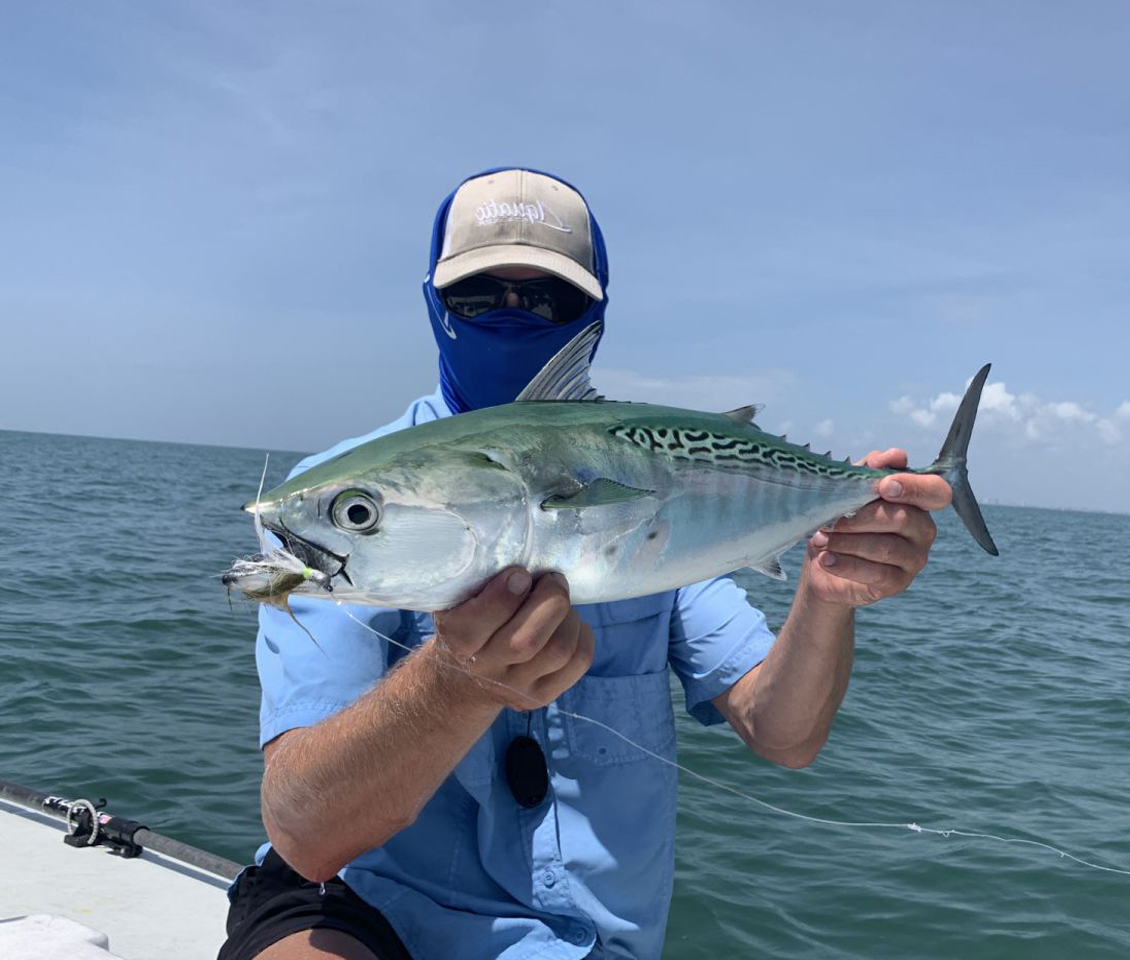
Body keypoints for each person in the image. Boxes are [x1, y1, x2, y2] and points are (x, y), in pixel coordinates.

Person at [217, 168, 951, 960]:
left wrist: (828, 594)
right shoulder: (333, 511)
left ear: (593, 316)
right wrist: (455, 684)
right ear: (434, 306)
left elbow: (785, 734)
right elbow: (304, 831)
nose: (510, 314)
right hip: (365, 911)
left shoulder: (649, 492)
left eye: (546, 301)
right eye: (478, 296)